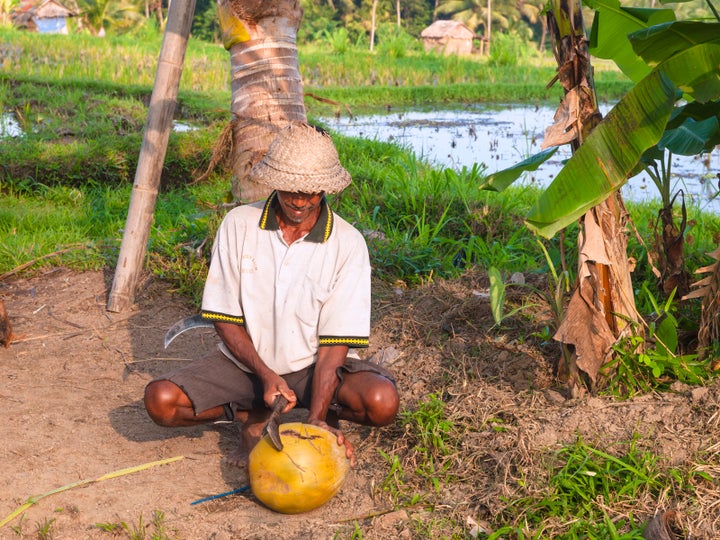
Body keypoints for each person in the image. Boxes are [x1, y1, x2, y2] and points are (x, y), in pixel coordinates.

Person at [144, 122, 399, 468]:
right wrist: (266, 376)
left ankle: (311, 411)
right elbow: (224, 319)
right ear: (274, 181)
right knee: (161, 400)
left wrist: (317, 419)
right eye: (290, 188)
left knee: (381, 401)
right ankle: (249, 411)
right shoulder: (238, 224)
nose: (298, 199)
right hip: (246, 366)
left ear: (325, 189)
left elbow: (333, 344)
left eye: (310, 191)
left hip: (313, 368)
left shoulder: (348, 243)